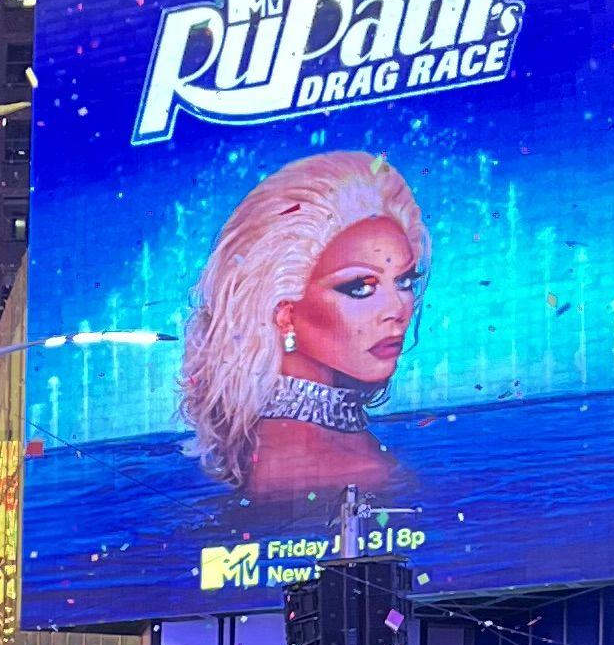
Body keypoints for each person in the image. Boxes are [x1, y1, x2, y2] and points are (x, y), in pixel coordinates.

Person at [173, 150, 432, 504]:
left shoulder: (305, 439)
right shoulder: (336, 465)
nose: (397, 309)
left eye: (404, 281)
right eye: (359, 287)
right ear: (285, 314)